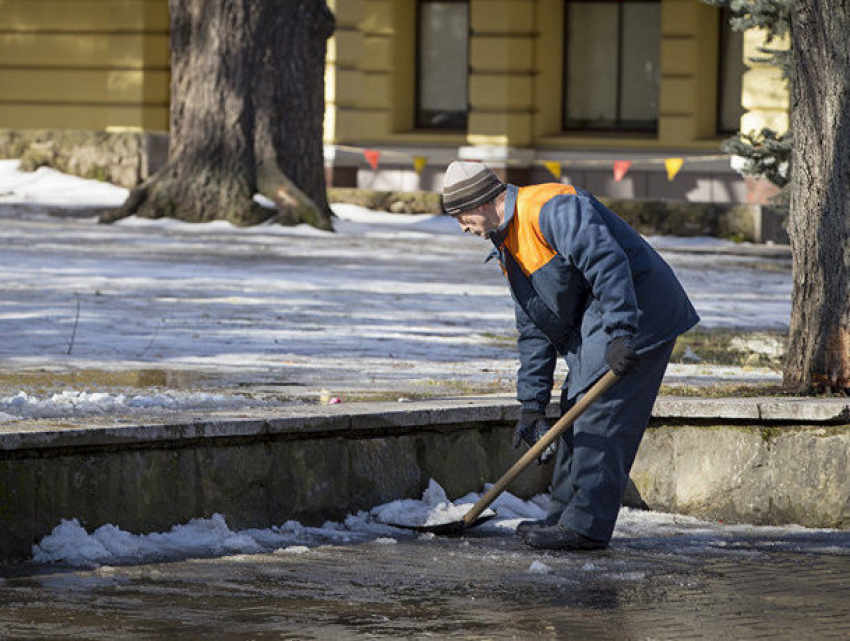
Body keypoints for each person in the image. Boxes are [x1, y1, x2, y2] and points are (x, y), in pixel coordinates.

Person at [442, 161, 699, 551]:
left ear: (479, 202)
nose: (461, 227)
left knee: (602, 416)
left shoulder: (552, 207)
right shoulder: (508, 244)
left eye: (461, 216)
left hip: (640, 312)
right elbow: (533, 325)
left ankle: (586, 528)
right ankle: (564, 517)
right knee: (574, 409)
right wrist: (531, 404)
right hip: (599, 322)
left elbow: (609, 265)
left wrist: (621, 333)